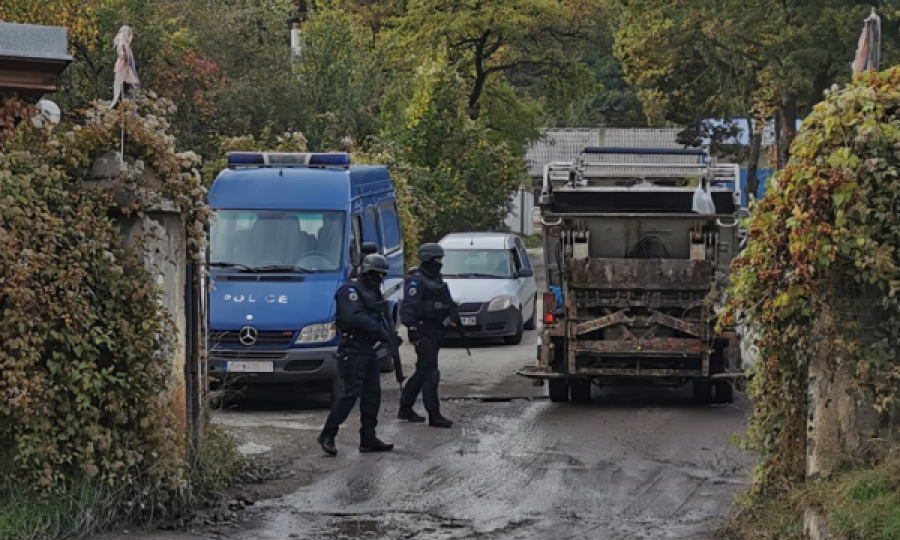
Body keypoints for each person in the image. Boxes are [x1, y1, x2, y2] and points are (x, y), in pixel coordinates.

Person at [317, 253, 398, 456]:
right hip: (352, 350)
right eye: (377, 274)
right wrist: (379, 331)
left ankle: (368, 438)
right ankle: (328, 434)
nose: (380, 278)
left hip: (369, 349)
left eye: (382, 275)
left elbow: (381, 315)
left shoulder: (374, 292)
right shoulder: (350, 290)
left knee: (372, 396)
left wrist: (390, 335)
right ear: (367, 272)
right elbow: (353, 317)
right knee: (349, 395)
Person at [397, 243, 456, 428]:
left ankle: (406, 407)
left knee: (423, 371)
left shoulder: (435, 279)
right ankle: (434, 413)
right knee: (431, 372)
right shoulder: (417, 281)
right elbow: (408, 310)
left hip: (435, 331)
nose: (440, 263)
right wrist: (414, 332)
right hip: (423, 333)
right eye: (437, 260)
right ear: (428, 259)